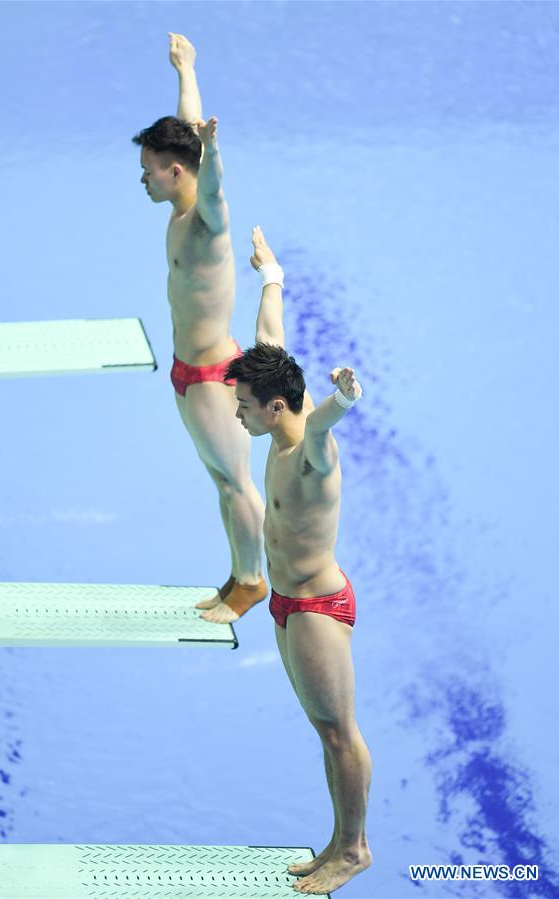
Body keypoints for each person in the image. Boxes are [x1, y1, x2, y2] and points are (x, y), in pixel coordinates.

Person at [225, 226, 373, 895]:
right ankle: (335, 842)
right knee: (323, 730)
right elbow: (269, 332)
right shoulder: (277, 393)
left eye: (243, 407)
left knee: (339, 733)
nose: (236, 414)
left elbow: (320, 425)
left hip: (315, 605)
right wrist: (271, 273)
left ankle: (352, 848)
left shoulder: (309, 448)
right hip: (286, 602)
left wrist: (343, 396)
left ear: (276, 404)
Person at [132, 34, 266, 623]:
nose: (143, 180)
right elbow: (193, 127)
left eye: (149, 172)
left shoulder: (208, 221)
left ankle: (254, 581)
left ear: (177, 171)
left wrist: (216, 154)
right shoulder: (181, 201)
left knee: (236, 484)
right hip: (188, 372)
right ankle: (237, 573)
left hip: (214, 377)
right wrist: (187, 70)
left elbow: (213, 181)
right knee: (220, 482)